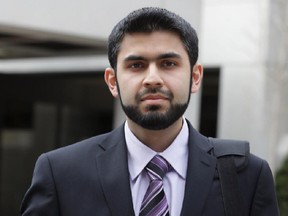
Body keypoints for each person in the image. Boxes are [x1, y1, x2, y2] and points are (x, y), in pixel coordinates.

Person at [20, 7, 279, 216]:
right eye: (136, 65)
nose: (152, 78)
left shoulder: (246, 176)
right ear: (112, 81)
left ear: (196, 77)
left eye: (168, 63)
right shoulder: (61, 173)